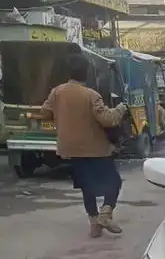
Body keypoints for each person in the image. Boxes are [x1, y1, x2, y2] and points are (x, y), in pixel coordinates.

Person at [40, 48, 127, 238]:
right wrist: (120, 109)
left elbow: (44, 113)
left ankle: (94, 224)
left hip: (72, 149)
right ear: (86, 72)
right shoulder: (91, 95)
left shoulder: (57, 92)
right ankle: (106, 213)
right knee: (113, 181)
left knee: (87, 186)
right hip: (96, 149)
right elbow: (108, 120)